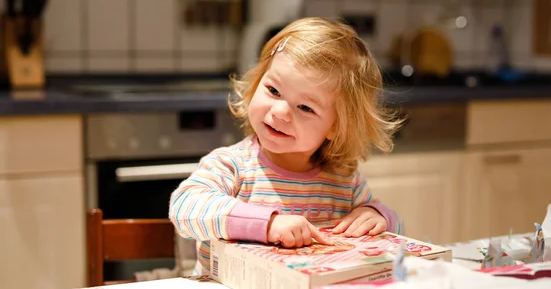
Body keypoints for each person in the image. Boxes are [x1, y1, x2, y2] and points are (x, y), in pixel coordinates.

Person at [169, 17, 404, 275]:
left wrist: (380, 217)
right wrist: (268, 225)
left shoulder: (343, 180)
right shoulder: (233, 166)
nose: (280, 111)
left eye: (305, 107)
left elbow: (396, 235)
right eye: (273, 90)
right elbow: (185, 207)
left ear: (336, 126)